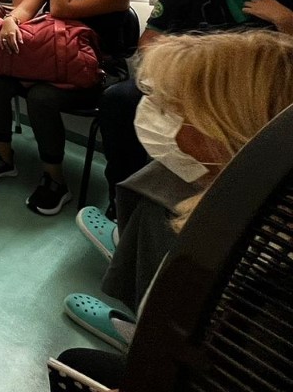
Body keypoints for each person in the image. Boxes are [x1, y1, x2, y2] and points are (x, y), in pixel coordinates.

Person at [56, 31, 293, 385]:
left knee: (73, 362)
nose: (159, 118)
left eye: (174, 109)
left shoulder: (261, 291)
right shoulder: (257, 198)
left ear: (228, 129)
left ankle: (142, 331)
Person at [97, 0, 293, 205]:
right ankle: (122, 195)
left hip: (249, 100)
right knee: (119, 99)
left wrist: (286, 22)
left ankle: (225, 204)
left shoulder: (287, 6)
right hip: (179, 85)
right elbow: (149, 45)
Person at [0, 0, 132, 215]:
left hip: (92, 74)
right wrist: (11, 21)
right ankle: (2, 156)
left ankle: (55, 179)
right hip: (47, 64)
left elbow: (62, 10)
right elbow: (24, 10)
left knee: (41, 97)